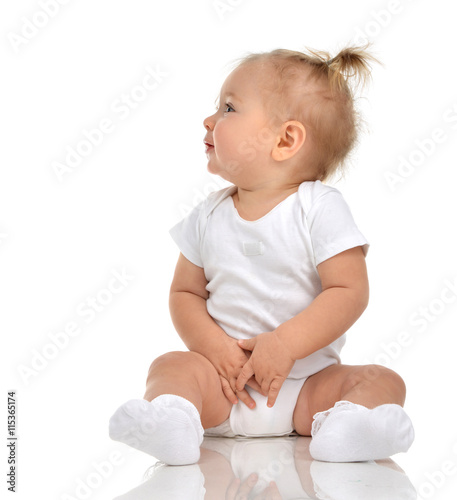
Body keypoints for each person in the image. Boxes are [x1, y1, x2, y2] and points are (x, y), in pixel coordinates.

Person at [109, 45, 415, 466]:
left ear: (286, 140)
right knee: (170, 365)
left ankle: (349, 429)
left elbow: (349, 290)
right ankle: (173, 421)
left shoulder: (319, 208)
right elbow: (184, 293)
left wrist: (285, 344)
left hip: (307, 389)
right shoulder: (208, 215)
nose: (209, 119)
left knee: (381, 380)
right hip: (221, 387)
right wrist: (212, 348)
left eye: (229, 108)